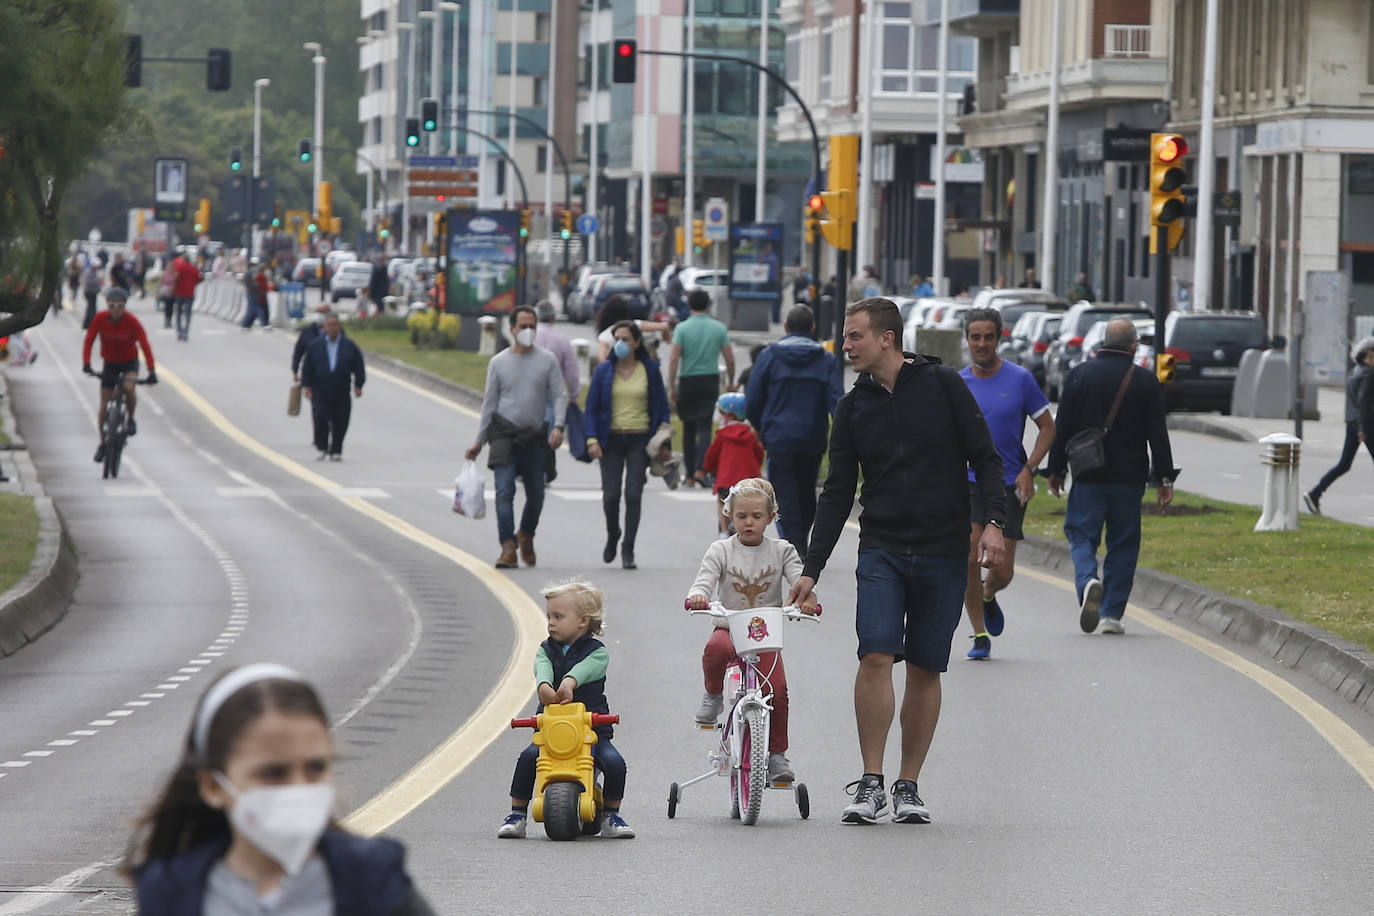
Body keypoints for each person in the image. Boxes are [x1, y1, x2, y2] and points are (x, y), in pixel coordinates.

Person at [787, 298, 1006, 825]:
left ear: (887, 338)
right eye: (846, 336)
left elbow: (986, 457)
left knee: (927, 666)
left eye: (854, 336)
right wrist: (812, 568)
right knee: (876, 655)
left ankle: (908, 785)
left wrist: (995, 522)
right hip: (882, 548)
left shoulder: (943, 385)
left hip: (944, 550)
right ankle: (871, 782)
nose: (846, 346)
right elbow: (838, 493)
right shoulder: (851, 407)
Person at [124, 663, 435, 913]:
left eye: (315, 768)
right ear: (213, 786)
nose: (299, 789)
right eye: (273, 773)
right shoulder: (170, 895)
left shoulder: (373, 881)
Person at [1046, 317, 1178, 635]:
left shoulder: (1080, 375)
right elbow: (1158, 434)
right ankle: (1111, 615)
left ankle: (1088, 579)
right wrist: (1165, 478)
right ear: (1133, 346)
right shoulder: (1145, 381)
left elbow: (1062, 426)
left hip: (1088, 474)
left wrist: (1056, 469)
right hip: (1129, 479)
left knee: (1081, 535)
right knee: (1123, 544)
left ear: (1104, 342)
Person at [686, 478, 818, 783]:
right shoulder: (721, 549)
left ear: (771, 517)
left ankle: (777, 755)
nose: (748, 522)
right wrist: (699, 595)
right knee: (715, 649)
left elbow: (799, 580)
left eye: (757, 516)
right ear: (729, 515)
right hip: (730, 626)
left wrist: (807, 599)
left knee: (778, 691)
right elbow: (705, 579)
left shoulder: (783, 550)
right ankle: (713, 695)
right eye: (741, 515)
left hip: (764, 635)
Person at [498, 580, 635, 839]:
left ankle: (610, 814)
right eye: (549, 616)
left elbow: (587, 669)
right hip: (551, 730)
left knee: (615, 763)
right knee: (528, 758)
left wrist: (570, 682)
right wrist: (544, 686)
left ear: (582, 621)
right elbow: (542, 667)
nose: (551, 623)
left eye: (558, 617)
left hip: (591, 731)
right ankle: (517, 814)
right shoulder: (545, 649)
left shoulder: (598, 653)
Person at [958, 307, 1056, 660]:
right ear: (967, 339)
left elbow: (1048, 427)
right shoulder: (958, 384)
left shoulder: (1020, 380)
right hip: (969, 482)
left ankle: (989, 594)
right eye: (975, 337)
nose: (982, 344)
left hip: (1008, 482)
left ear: (999, 338)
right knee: (970, 557)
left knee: (1001, 570)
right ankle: (979, 633)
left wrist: (1030, 468)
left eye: (988, 337)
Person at [465, 306, 568, 568]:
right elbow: (489, 403)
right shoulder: (498, 362)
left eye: (532, 326)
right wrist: (479, 440)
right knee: (504, 491)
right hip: (504, 435)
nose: (528, 331)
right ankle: (508, 546)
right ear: (511, 329)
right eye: (523, 326)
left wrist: (558, 426)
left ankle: (526, 534)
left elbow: (558, 395)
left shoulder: (547, 360)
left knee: (536, 494)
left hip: (534, 436)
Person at [744, 304, 842, 555]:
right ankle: (799, 542)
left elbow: (752, 400)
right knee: (807, 491)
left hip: (778, 436)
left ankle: (793, 544)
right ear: (813, 328)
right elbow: (837, 402)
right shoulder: (826, 360)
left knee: (783, 492)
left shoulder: (769, 357)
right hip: (812, 436)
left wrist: (761, 427)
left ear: (786, 327)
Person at [585, 320, 672, 570]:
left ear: (636, 343)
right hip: (610, 440)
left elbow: (662, 407)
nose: (620, 344)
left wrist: (664, 441)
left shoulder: (650, 369)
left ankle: (628, 548)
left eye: (625, 339)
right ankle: (613, 533)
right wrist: (592, 439)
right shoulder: (604, 370)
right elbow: (591, 408)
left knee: (633, 494)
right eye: (617, 339)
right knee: (611, 495)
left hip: (639, 439)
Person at [82, 286, 156, 464]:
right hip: (110, 363)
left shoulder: (132, 322)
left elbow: (145, 344)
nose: (116, 309)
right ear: (107, 305)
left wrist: (151, 370)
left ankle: (130, 419)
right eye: (112, 305)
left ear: (125, 306)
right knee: (104, 403)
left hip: (129, 362)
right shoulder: (100, 319)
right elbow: (89, 340)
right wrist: (86, 363)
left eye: (120, 306)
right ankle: (102, 443)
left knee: (129, 388)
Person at [669, 289, 734, 487]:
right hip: (709, 380)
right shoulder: (719, 328)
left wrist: (671, 386)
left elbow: (674, 358)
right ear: (708, 305)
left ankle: (689, 475)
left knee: (688, 428)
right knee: (705, 426)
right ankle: (701, 469)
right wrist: (730, 381)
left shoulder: (682, 328)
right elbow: (729, 358)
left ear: (689, 305)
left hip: (687, 380)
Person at [1305, 337, 1374, 515]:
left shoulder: (1354, 371)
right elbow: (1362, 402)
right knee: (1344, 464)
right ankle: (1315, 494)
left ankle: (1315, 493)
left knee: (1344, 464)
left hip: (1352, 423)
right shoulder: (1369, 373)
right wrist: (1362, 428)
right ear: (1369, 353)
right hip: (1365, 424)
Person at [300, 312, 366, 462]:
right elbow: (307, 367)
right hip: (320, 390)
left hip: (341, 390)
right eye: (329, 325)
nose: (332, 328)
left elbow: (358, 366)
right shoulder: (316, 346)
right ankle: (322, 446)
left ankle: (336, 449)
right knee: (320, 417)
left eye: (335, 324)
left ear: (339, 327)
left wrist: (358, 385)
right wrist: (307, 385)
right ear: (324, 327)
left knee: (341, 420)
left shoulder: (349, 346)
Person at [703, 392, 764, 537]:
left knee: (722, 501)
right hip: (749, 481)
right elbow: (759, 454)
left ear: (729, 415)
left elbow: (712, 455)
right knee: (752, 505)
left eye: (722, 414)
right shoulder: (750, 434)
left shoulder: (722, 435)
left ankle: (724, 532)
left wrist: (708, 468)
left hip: (726, 480)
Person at [535, 298, 580, 484]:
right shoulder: (561, 340)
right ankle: (544, 471)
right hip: (553, 393)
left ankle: (535, 469)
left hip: (531, 390)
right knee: (550, 432)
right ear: (553, 318)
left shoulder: (531, 336)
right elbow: (571, 372)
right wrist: (574, 395)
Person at [593, 295, 672, 362]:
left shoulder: (604, 336)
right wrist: (666, 336)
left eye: (625, 339)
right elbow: (664, 326)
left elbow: (602, 359)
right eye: (617, 339)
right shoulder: (634, 325)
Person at [292, 305, 331, 383]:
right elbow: (298, 352)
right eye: (318, 312)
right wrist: (295, 370)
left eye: (322, 312)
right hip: (311, 373)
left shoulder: (335, 332)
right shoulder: (307, 331)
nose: (319, 315)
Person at [170, 249, 202, 341]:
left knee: (178, 313)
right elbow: (199, 279)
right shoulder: (194, 269)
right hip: (190, 294)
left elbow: (176, 278)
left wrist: (173, 288)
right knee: (188, 314)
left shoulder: (180, 267)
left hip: (179, 293)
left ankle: (179, 331)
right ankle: (186, 331)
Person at [81, 260, 103, 329]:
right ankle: (91, 323)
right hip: (90, 292)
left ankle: (87, 324)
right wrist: (97, 280)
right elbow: (89, 282)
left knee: (91, 308)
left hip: (93, 292)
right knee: (92, 309)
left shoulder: (95, 272)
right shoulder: (89, 272)